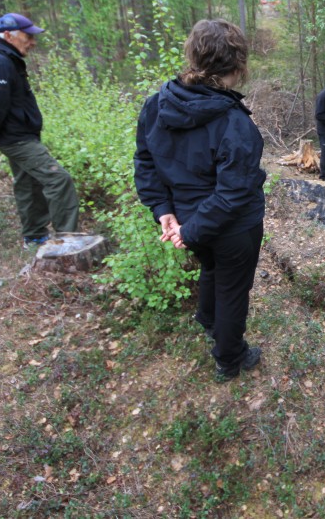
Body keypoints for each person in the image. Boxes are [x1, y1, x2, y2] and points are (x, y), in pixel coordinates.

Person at [134, 19, 267, 382]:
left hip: (191, 221)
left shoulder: (156, 105)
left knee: (211, 269)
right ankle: (230, 357)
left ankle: (208, 320)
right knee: (233, 289)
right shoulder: (234, 124)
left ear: (192, 56)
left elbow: (146, 162)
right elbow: (234, 194)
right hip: (230, 228)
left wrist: (169, 215)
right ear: (238, 66)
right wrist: (176, 221)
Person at [0, 13, 79, 246]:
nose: (33, 42)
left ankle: (34, 237)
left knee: (28, 183)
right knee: (58, 179)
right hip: (15, 138)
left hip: (19, 135)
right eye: (28, 36)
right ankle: (69, 241)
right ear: (9, 35)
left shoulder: (5, 59)